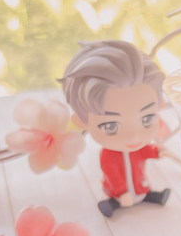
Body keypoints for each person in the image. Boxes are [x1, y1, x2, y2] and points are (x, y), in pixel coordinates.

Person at [60, 40, 174, 217]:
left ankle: (152, 196)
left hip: (140, 185)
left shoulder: (137, 147)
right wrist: (121, 192)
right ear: (82, 122)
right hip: (118, 192)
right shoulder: (108, 155)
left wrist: (157, 152)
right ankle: (111, 204)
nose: (133, 136)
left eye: (147, 119)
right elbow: (112, 174)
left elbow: (144, 151)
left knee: (145, 191)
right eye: (111, 126)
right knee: (116, 199)